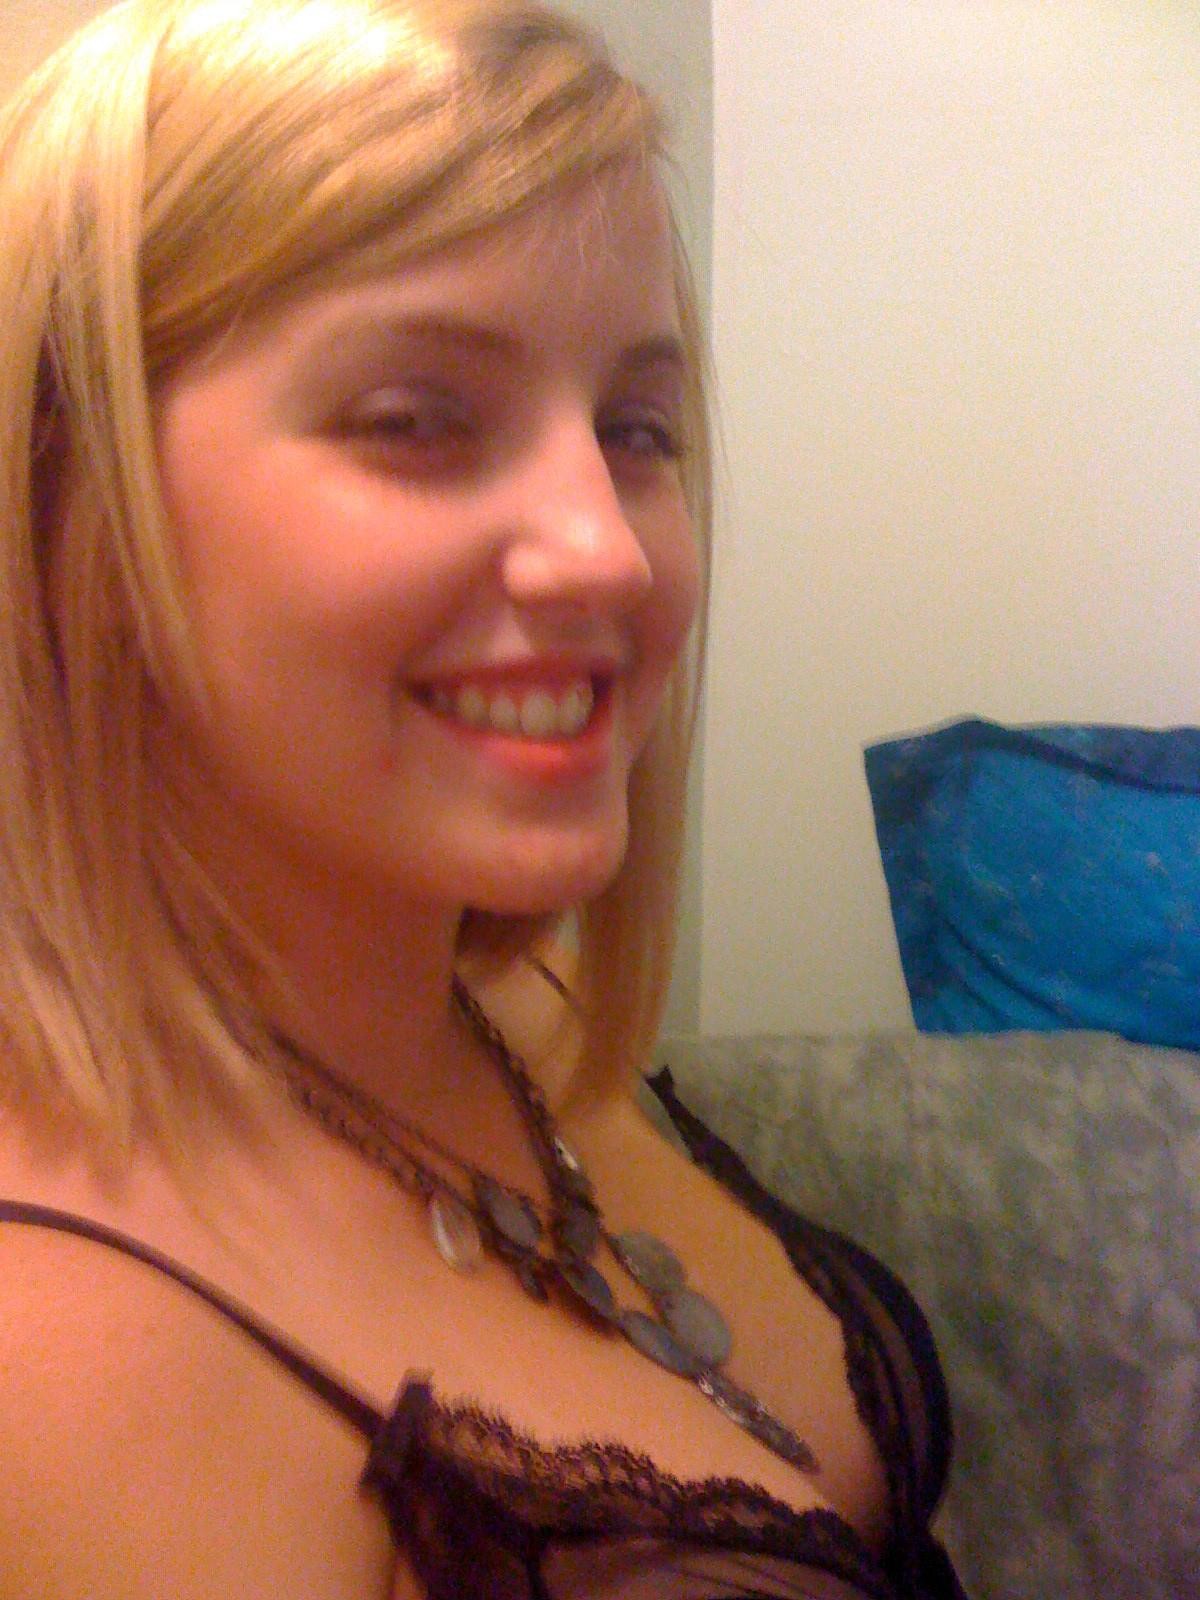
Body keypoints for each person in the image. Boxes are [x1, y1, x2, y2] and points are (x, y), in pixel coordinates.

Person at [0, 1, 967, 1594]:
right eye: (418, 419)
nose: (609, 550)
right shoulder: (59, 1373)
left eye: (636, 428)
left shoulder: (514, 1007)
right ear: (69, 509)